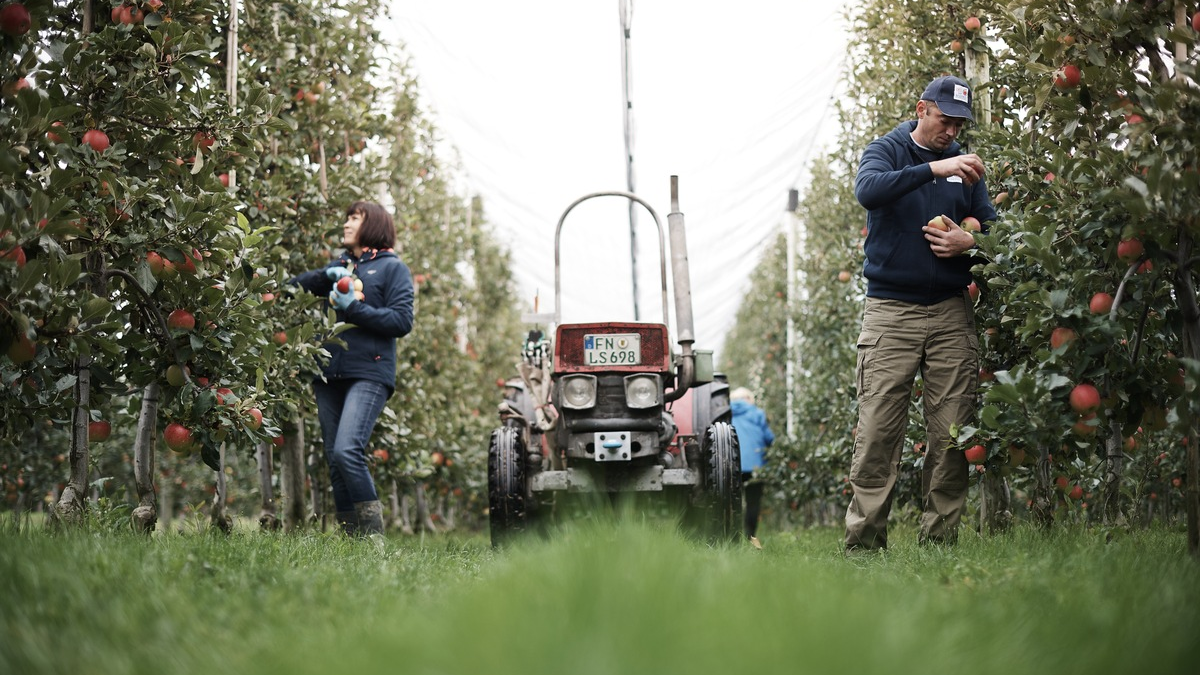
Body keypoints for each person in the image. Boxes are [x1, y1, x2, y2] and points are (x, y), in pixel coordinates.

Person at [844, 75, 996, 552]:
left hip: (951, 310)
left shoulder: (967, 169)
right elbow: (868, 190)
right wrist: (935, 169)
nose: (952, 130)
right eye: (945, 119)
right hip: (891, 311)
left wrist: (970, 241)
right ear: (922, 109)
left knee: (952, 430)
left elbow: (991, 225)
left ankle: (939, 544)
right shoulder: (887, 149)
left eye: (959, 124)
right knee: (878, 431)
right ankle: (865, 543)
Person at [291, 201, 414, 536]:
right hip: (330, 373)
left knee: (348, 450)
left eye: (354, 219)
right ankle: (352, 540)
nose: (345, 224)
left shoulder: (393, 269)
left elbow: (402, 321)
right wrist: (326, 275)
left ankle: (373, 538)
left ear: (372, 225)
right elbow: (292, 287)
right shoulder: (342, 266)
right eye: (347, 218)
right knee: (334, 459)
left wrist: (355, 309)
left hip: (370, 373)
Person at [730, 386, 774, 547]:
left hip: (733, 465)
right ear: (749, 399)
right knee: (753, 503)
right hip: (755, 466)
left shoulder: (727, 413)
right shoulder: (757, 414)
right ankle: (750, 538)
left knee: (731, 501)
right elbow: (769, 438)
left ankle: (732, 538)